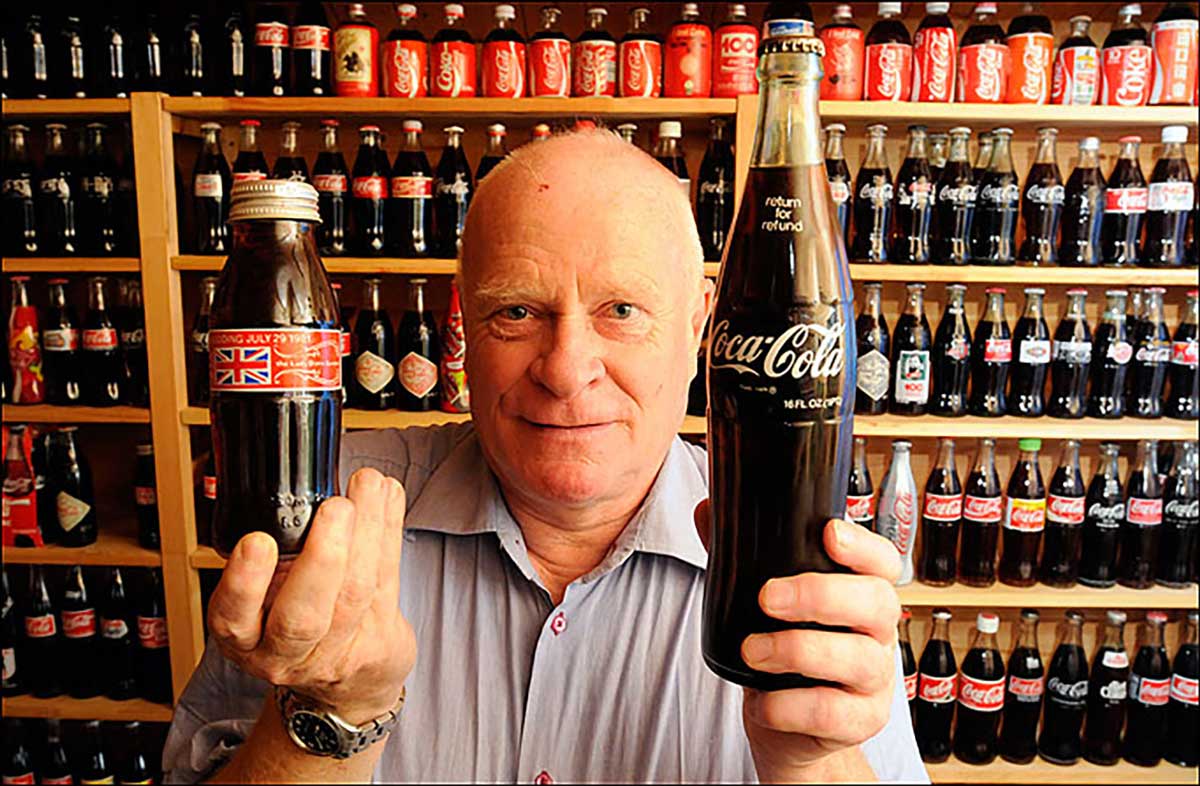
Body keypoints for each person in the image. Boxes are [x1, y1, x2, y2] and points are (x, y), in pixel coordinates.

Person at [164, 129, 927, 784]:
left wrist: (808, 767)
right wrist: (329, 720)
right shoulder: (327, 522)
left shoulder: (803, 576)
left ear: (699, 325)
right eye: (517, 311)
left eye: (621, 311)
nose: (567, 369)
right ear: (463, 327)